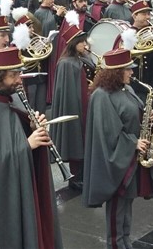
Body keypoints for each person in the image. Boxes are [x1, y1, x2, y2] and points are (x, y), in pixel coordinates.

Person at [0, 46, 62, 249]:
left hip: (20, 187)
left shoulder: (13, 98)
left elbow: (13, 136)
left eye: (19, 73)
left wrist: (32, 128)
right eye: (14, 75)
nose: (19, 79)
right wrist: (26, 146)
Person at [83, 48, 153, 249]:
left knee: (127, 204)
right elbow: (107, 132)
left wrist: (147, 117)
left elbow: (133, 114)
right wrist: (133, 143)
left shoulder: (127, 89)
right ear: (116, 71)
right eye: (128, 69)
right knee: (117, 206)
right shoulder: (101, 96)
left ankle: (125, 241)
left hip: (131, 158)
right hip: (119, 158)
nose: (132, 72)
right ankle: (116, 244)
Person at [50, 22, 95, 191]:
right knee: (77, 141)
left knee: (85, 141)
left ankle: (84, 175)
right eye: (82, 42)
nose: (85, 45)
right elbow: (69, 92)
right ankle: (76, 178)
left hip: (86, 104)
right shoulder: (66, 64)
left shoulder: (81, 59)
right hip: (76, 107)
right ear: (73, 44)